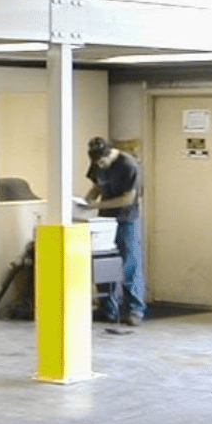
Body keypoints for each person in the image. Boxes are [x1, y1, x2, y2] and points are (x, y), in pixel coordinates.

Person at [85, 136, 144, 325]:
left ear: (110, 154)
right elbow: (96, 186)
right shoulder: (97, 163)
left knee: (129, 263)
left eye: (102, 162)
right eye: (96, 163)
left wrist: (98, 203)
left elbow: (128, 198)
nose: (100, 165)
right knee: (104, 262)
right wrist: (85, 201)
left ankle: (135, 309)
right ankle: (107, 308)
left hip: (126, 219)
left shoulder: (128, 165)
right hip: (105, 219)